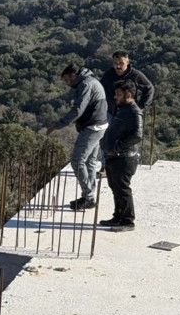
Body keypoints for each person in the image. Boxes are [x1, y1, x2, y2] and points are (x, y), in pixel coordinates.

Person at [49, 63, 108, 211]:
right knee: (90, 161)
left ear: (73, 75)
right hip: (99, 124)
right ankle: (89, 196)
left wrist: (59, 124)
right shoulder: (90, 81)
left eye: (67, 80)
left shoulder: (86, 84)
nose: (67, 84)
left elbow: (78, 109)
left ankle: (88, 197)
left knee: (77, 160)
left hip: (93, 127)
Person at [100, 79, 144, 232]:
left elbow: (137, 135)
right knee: (115, 187)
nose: (115, 97)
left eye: (118, 94)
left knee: (122, 188)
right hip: (115, 156)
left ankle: (127, 221)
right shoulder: (122, 108)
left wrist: (118, 147)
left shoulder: (134, 111)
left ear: (128, 94)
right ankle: (118, 216)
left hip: (125, 157)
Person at [101, 51, 154, 116]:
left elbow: (149, 88)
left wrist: (141, 107)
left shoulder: (136, 75)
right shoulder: (108, 75)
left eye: (121, 63)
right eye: (115, 63)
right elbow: (100, 90)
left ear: (127, 62)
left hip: (131, 114)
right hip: (111, 114)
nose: (118, 66)